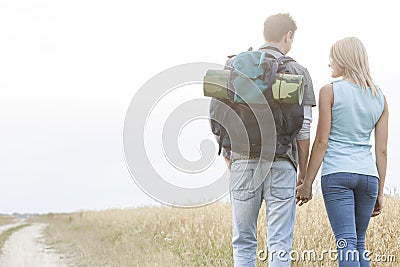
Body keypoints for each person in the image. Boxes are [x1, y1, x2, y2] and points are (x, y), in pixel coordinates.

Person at [210, 13, 316, 266]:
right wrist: (303, 173)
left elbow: (219, 115)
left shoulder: (234, 65)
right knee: (279, 242)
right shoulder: (297, 70)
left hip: (243, 162)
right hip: (281, 162)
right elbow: (304, 128)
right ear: (288, 36)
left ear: (264, 34)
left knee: (244, 241)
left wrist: (229, 158)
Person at [296, 37, 388, 267]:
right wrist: (380, 191)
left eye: (332, 57)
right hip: (369, 177)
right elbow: (382, 150)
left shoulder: (330, 91)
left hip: (338, 174)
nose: (329, 63)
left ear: (344, 60)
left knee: (346, 243)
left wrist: (307, 182)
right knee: (358, 243)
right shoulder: (380, 98)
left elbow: (321, 141)